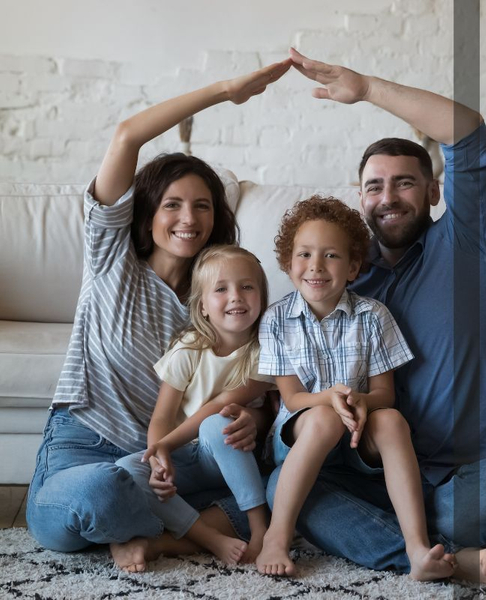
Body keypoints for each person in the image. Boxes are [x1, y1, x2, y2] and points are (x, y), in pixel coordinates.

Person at [263, 48, 486, 585]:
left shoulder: (466, 241)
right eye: (374, 186)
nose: (388, 197)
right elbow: (286, 362)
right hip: (371, 465)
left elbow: (469, 135)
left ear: (435, 191)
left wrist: (366, 87)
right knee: (284, 490)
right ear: (360, 198)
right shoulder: (341, 275)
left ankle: (408, 537)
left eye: (405, 183)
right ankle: (439, 556)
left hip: (470, 468)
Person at [26, 59, 291, 572]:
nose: (189, 218)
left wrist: (252, 421)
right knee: (101, 491)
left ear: (218, 218)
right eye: (172, 204)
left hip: (178, 461)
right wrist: (223, 90)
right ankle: (168, 529)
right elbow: (126, 136)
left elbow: (247, 382)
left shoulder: (222, 297)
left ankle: (154, 535)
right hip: (85, 446)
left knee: (288, 493)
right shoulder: (111, 259)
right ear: (146, 212)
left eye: (203, 206)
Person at [255, 197, 456, 580]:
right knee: (323, 421)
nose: (316, 265)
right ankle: (276, 537)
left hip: (356, 435)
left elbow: (385, 394)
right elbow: (293, 398)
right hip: (300, 434)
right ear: (288, 263)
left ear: (353, 268)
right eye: (305, 254)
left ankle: (416, 547)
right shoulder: (276, 319)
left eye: (330, 255)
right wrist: (329, 399)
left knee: (393, 420)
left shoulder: (373, 315)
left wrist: (361, 400)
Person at [115, 246, 273, 569]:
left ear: (261, 296)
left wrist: (166, 444)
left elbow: (221, 404)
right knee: (128, 471)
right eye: (221, 289)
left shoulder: (265, 351)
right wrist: (159, 458)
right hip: (188, 458)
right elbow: (161, 417)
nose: (236, 297)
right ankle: (208, 537)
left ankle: (260, 530)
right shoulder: (189, 349)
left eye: (247, 286)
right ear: (202, 306)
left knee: (217, 423)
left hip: (230, 454)